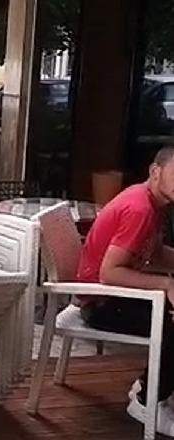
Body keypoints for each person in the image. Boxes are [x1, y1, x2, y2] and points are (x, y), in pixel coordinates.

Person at [76, 147, 174, 436]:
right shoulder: (140, 208)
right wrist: (167, 284)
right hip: (101, 302)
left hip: (113, 296)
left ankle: (152, 387)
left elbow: (154, 254)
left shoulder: (151, 202)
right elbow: (109, 273)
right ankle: (147, 402)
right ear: (155, 172)